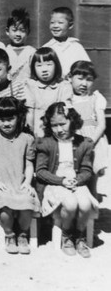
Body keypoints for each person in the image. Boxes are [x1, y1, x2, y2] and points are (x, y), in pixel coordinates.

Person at [36, 102, 98, 258]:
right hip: (55, 184)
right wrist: (61, 180)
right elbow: (40, 171)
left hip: (76, 183)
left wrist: (77, 180)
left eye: (63, 124)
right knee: (70, 203)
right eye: (54, 125)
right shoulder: (46, 143)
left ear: (72, 121)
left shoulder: (84, 143)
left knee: (85, 204)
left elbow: (87, 170)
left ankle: (80, 235)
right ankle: (67, 235)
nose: (59, 129)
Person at [0, 97, 40, 254]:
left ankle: (22, 234)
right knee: (5, 207)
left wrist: (27, 182)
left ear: (19, 117)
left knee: (27, 203)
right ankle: (9, 234)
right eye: (1, 119)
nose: (6, 124)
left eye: (10, 119)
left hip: (19, 181)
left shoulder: (27, 139)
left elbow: (28, 164)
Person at [69, 61, 108, 179]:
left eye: (89, 80)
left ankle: (97, 194)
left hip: (94, 141)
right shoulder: (68, 99)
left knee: (96, 172)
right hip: (76, 140)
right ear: (70, 78)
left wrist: (90, 142)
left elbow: (101, 125)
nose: (84, 84)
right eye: (80, 78)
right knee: (79, 171)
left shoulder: (96, 98)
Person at [25, 47, 72, 138]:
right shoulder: (31, 86)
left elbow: (65, 112)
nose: (44, 69)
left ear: (56, 66)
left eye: (49, 64)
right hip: (38, 133)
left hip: (58, 131)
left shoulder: (63, 86)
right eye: (39, 66)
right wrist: (30, 135)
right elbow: (30, 112)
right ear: (33, 68)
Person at [42, 7, 90, 78]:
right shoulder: (46, 48)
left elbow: (87, 68)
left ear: (70, 25)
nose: (55, 26)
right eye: (52, 22)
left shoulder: (76, 47)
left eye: (60, 23)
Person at [4, 8, 36, 85]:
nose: (18, 34)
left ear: (28, 31)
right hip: (9, 92)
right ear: (7, 31)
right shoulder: (3, 52)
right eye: (14, 30)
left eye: (22, 30)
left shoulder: (32, 52)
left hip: (27, 91)